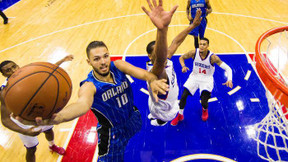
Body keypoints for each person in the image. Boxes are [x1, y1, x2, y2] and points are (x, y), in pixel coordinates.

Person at [0, 55, 74, 162]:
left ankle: (52, 146)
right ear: (3, 74)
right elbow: (5, 120)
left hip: (40, 113)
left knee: (49, 131)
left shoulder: (28, 74)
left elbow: (47, 72)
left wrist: (62, 60)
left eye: (14, 67)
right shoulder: (4, 92)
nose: (13, 71)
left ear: (18, 66)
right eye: (8, 70)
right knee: (31, 149)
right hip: (23, 123)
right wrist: (24, 131)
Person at [145, 9, 202, 126]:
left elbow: (176, 42)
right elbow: (160, 60)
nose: (163, 52)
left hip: (160, 101)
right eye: (159, 51)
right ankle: (159, 121)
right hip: (164, 110)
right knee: (161, 120)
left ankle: (154, 116)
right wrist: (161, 30)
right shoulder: (155, 72)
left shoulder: (164, 58)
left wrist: (193, 26)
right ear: (150, 56)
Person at [171, 37, 233, 125]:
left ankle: (205, 110)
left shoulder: (213, 58)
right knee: (183, 96)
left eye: (204, 44)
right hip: (194, 77)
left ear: (208, 46)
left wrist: (229, 79)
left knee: (204, 101)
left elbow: (228, 68)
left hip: (207, 79)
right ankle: (180, 115)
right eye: (200, 44)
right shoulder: (193, 53)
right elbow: (181, 58)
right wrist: (183, 66)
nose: (202, 46)